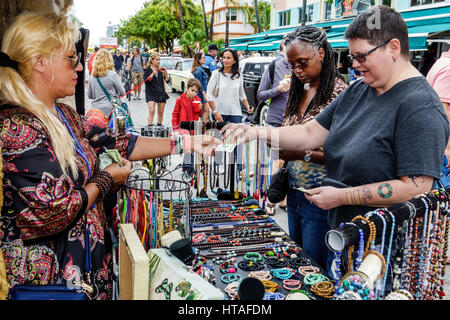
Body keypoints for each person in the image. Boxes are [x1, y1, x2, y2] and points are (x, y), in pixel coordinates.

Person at [0, 11, 220, 300]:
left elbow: (118, 141)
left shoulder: (63, 115)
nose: (79, 67)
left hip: (84, 273)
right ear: (39, 61)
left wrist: (185, 143)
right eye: (71, 58)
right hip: (48, 285)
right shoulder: (16, 126)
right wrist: (106, 179)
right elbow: (53, 210)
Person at [222, 6, 449, 282]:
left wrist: (342, 196)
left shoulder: (420, 106)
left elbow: (416, 187)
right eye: (352, 57)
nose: (354, 64)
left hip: (380, 250)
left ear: (393, 47)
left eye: (361, 56)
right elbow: (309, 133)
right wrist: (254, 131)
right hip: (342, 234)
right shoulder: (359, 90)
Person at [279, 26, 348, 271]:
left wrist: (299, 153)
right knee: (297, 261)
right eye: (292, 65)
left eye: (302, 63)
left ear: (321, 54)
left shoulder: (339, 94)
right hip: (295, 192)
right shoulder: (299, 91)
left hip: (322, 196)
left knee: (314, 268)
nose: (298, 71)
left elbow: (344, 155)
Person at [256, 39, 292, 215]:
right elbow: (261, 95)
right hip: (277, 119)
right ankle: (271, 199)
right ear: (283, 48)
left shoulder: (302, 67)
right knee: (277, 161)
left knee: (289, 163)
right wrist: (278, 89)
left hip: (296, 122)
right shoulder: (274, 66)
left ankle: (283, 199)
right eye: (289, 44)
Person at [206, 48, 254, 124]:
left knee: (236, 135)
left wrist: (248, 107)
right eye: (224, 57)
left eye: (228, 58)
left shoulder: (239, 75)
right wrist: (214, 111)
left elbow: (241, 93)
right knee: (219, 135)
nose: (225, 60)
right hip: (219, 113)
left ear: (234, 61)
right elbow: (208, 94)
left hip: (235, 113)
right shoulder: (216, 74)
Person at [172, 79, 203, 175]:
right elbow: (175, 114)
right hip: (183, 128)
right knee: (187, 148)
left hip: (193, 127)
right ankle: (188, 168)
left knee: (192, 148)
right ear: (187, 88)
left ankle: (187, 167)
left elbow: (199, 114)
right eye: (192, 90)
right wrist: (175, 127)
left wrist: (200, 109)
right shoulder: (180, 100)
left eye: (196, 91)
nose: (194, 93)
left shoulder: (197, 100)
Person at [427, 47, 450, 168]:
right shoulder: (448, 68)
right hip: (442, 144)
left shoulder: (441, 62)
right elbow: (443, 109)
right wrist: (448, 148)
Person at [87, 48, 126, 117]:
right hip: (111, 110)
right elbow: (122, 92)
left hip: (96, 110)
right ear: (109, 60)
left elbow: (90, 95)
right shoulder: (112, 75)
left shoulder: (92, 77)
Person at [143, 52, 170, 126]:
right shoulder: (148, 70)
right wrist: (152, 74)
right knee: (151, 111)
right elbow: (146, 81)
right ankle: (150, 127)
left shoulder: (161, 69)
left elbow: (168, 81)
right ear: (152, 60)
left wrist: (166, 73)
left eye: (159, 60)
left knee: (160, 112)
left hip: (161, 93)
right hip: (151, 93)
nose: (158, 61)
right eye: (157, 59)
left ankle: (159, 127)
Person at [191, 52, 210, 123]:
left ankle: (203, 125)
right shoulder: (198, 70)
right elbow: (200, 84)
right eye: (203, 58)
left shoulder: (199, 68)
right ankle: (203, 126)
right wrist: (204, 95)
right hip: (201, 94)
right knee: (206, 110)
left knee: (203, 111)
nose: (205, 59)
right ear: (198, 59)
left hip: (202, 93)